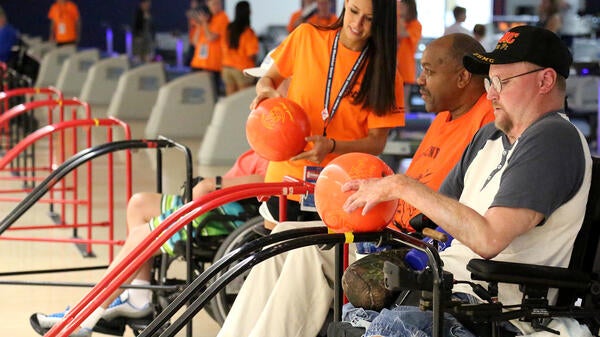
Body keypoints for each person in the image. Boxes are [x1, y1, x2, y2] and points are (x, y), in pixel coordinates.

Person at [341, 25, 592, 337]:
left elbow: (488, 240)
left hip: (494, 310)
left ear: (545, 81)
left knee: (389, 326)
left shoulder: (553, 137)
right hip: (444, 289)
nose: (490, 93)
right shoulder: (488, 136)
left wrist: (401, 185)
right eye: (489, 81)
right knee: (350, 313)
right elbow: (434, 219)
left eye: (503, 81)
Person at [216, 0, 404, 336]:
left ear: (383, 24)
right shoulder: (306, 37)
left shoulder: (384, 70)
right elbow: (268, 77)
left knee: (298, 270)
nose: (358, 25)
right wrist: (266, 93)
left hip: (339, 194)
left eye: (370, 20)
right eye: (354, 12)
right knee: (274, 262)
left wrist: (332, 147)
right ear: (345, 5)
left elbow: (376, 143)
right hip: (287, 182)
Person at [29, 149, 268, 337]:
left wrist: (209, 185)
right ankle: (138, 300)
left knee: (142, 235)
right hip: (221, 202)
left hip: (228, 214)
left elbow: (268, 179)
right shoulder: (268, 129)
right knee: (139, 204)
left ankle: (85, 318)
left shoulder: (285, 139)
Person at [189, 0, 229, 98]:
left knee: (211, 95)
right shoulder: (206, 18)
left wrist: (204, 23)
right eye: (214, 4)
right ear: (208, 5)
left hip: (212, 64)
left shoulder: (222, 17)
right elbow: (194, 42)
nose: (217, 6)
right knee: (196, 94)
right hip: (198, 63)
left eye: (219, 4)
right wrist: (199, 26)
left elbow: (210, 37)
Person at [221, 1, 259, 96]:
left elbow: (222, 47)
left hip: (227, 68)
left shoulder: (228, 28)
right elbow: (251, 54)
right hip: (242, 69)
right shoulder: (248, 32)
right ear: (247, 12)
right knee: (242, 101)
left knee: (230, 101)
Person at [396, 0, 422, 114]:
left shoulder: (415, 24)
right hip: (394, 67)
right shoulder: (398, 20)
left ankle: (403, 129)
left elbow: (402, 33)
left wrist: (399, 15)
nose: (400, 8)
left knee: (403, 102)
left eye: (402, 6)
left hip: (405, 68)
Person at [185, 0, 201, 65]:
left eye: (194, 3)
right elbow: (188, 13)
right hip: (192, 39)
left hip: (198, 40)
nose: (192, 4)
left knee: (191, 58)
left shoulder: (200, 14)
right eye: (191, 3)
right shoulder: (191, 12)